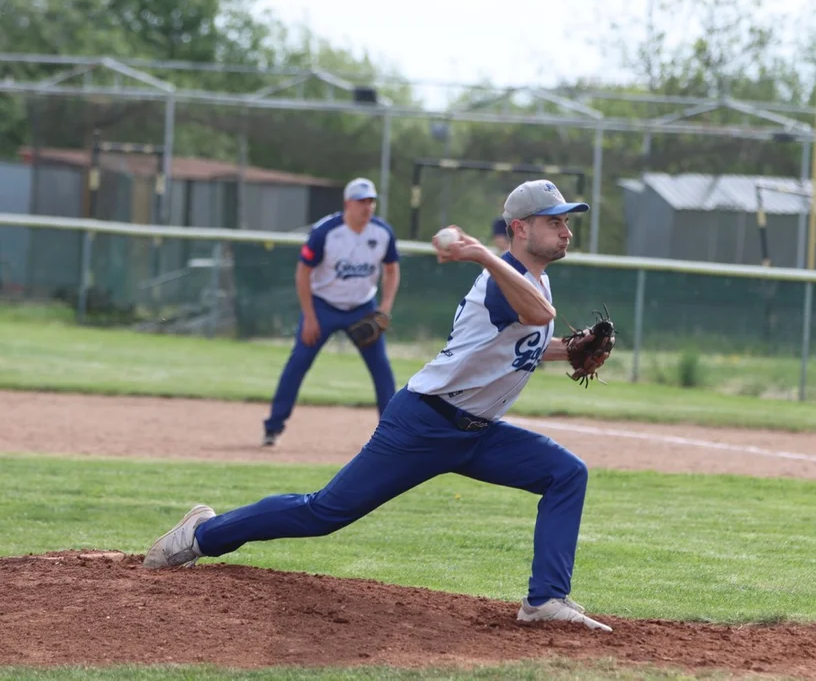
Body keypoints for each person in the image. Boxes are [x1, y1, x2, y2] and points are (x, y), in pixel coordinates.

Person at [143, 179, 614, 633]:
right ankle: (203, 533)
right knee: (324, 513)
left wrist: (571, 350)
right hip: (425, 424)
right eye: (554, 221)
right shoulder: (502, 282)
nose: (566, 230)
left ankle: (545, 600)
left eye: (566, 222)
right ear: (520, 228)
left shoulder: (533, 283)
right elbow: (538, 316)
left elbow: (528, 338)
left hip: (480, 433)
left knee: (566, 473)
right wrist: (482, 255)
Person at [261, 177, 400, 447]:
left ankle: (394, 433)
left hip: (362, 308)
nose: (367, 207)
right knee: (298, 362)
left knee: (381, 368)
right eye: (361, 201)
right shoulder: (326, 231)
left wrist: (384, 309)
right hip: (323, 306)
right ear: (347, 203)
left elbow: (392, 269)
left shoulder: (382, 232)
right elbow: (303, 273)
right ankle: (273, 427)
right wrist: (310, 316)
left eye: (371, 201)